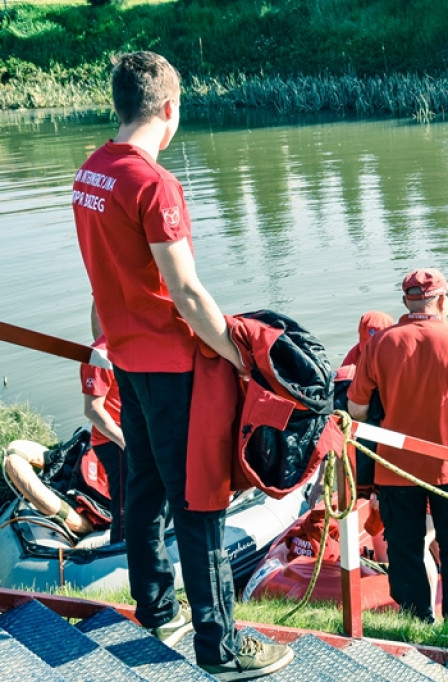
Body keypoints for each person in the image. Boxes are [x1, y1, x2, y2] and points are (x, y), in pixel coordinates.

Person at [71, 51, 293, 678]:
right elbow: (188, 294)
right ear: (170, 109)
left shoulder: (89, 174)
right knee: (202, 503)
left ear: (119, 105)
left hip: (129, 366)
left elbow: (101, 283)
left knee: (143, 490)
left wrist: (105, 350)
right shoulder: (153, 183)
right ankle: (220, 650)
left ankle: (155, 606)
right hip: (174, 369)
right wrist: (240, 355)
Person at [347, 267, 448, 632]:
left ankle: (416, 621)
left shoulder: (378, 344)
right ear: (440, 300)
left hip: (394, 469)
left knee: (404, 550)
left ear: (407, 301)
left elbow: (356, 410)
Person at [80, 333, 126, 542]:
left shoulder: (132, 341)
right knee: (125, 504)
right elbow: (92, 410)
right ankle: (119, 548)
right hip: (114, 441)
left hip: (138, 435)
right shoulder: (100, 353)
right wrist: (126, 442)